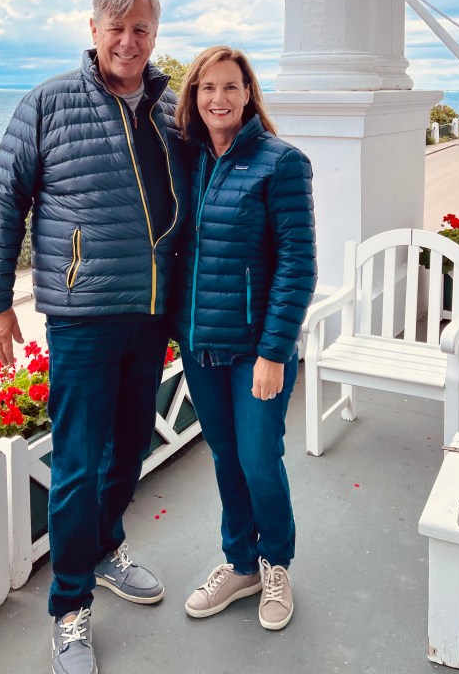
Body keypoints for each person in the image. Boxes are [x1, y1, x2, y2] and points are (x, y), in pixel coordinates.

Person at [0, 0, 186, 674]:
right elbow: (3, 201)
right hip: (82, 316)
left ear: (154, 35)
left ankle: (104, 549)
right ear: (93, 30)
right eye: (116, 28)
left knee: (128, 451)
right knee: (76, 465)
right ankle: (70, 607)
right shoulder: (48, 104)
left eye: (142, 29)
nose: (129, 41)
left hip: (149, 314)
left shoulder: (170, 109)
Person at [174, 45, 316, 632]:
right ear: (194, 95)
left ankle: (275, 563)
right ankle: (240, 564)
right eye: (207, 87)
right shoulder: (187, 159)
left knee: (259, 459)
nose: (219, 98)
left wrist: (273, 352)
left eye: (230, 86)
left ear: (249, 93)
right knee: (226, 459)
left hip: (257, 351)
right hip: (200, 346)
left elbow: (297, 265)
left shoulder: (281, 163)